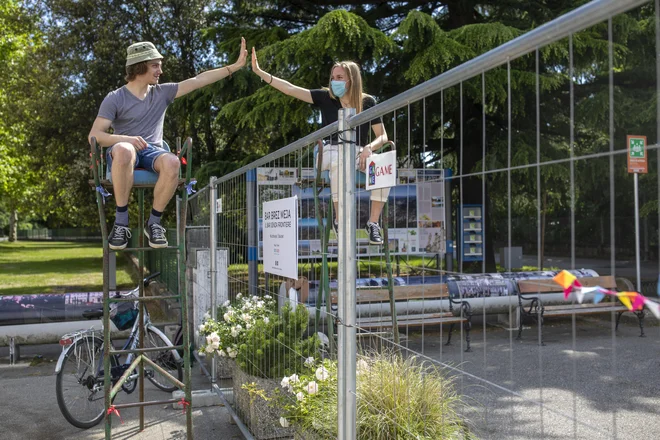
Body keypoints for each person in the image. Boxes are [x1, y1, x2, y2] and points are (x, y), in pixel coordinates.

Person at [89, 38, 248, 250]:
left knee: (173, 162)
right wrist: (126, 139)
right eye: (155, 65)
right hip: (123, 152)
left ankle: (154, 223)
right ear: (140, 66)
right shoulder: (115, 98)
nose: (160, 71)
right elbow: (95, 135)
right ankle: (121, 223)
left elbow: (198, 80)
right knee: (126, 150)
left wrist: (234, 67)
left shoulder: (162, 92)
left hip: (153, 151)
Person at [251, 48, 390, 245]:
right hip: (329, 150)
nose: (335, 81)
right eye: (333, 77)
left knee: (385, 165)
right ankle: (339, 220)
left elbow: (383, 136)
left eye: (340, 77)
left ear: (352, 79)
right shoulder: (326, 98)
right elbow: (291, 89)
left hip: (358, 152)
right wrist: (259, 72)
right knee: (338, 159)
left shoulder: (367, 102)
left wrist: (369, 148)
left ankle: (373, 223)